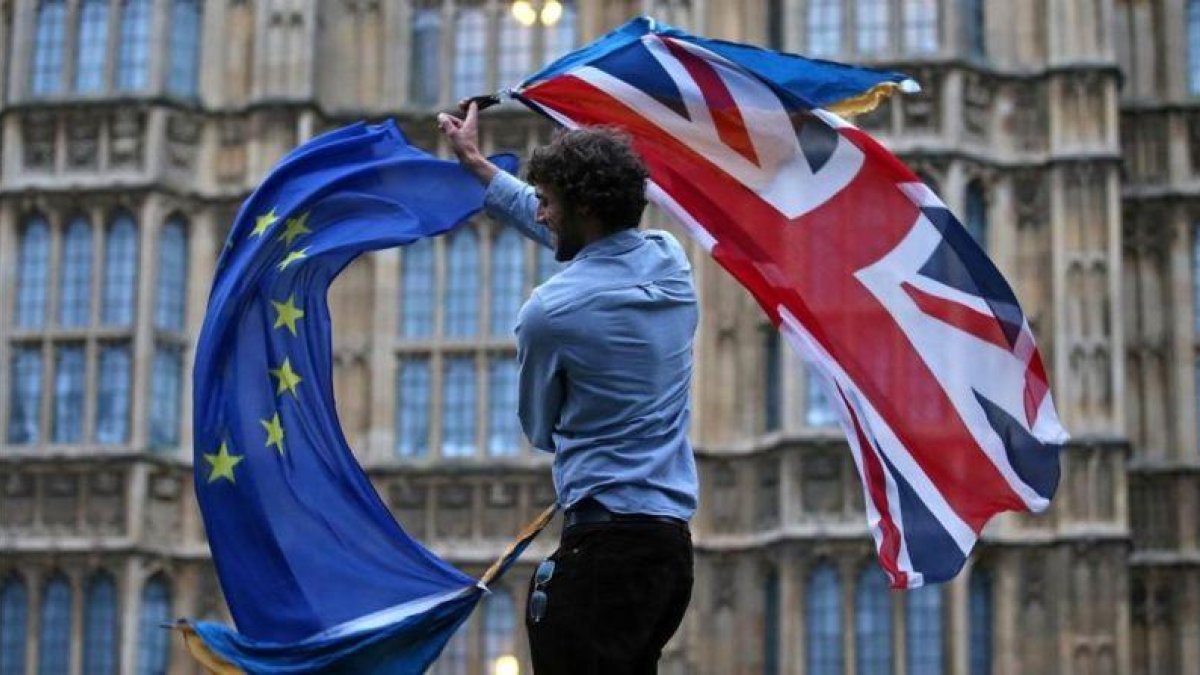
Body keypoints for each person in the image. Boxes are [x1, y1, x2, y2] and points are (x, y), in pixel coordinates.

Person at [438, 101, 699, 674]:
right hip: (668, 555)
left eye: (549, 202)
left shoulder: (548, 313)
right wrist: (479, 166)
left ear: (582, 209)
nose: (542, 214)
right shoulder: (671, 263)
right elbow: (591, 242)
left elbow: (539, 428)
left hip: (602, 550)